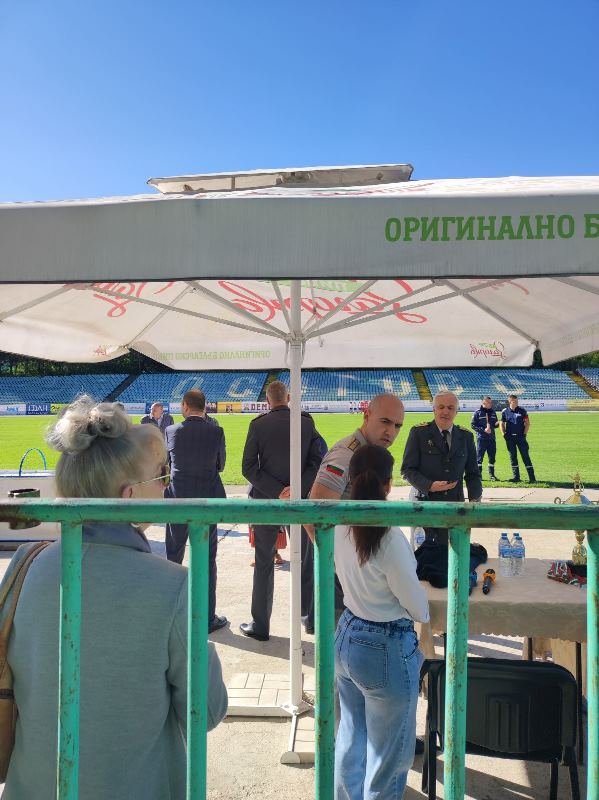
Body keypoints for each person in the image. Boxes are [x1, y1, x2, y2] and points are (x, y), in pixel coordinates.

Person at [0, 396, 227, 800]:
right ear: (128, 495)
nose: (167, 485)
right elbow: (206, 711)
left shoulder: (25, 563)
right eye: (161, 477)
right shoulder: (174, 585)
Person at [334, 444, 430, 800]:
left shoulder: (341, 524)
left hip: (348, 633)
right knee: (388, 759)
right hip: (384, 644)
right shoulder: (390, 537)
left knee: (351, 736)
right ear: (388, 485)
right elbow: (417, 608)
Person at [305, 393, 405, 627]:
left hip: (352, 568)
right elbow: (314, 516)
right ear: (366, 415)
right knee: (339, 639)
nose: (391, 432)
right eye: (385, 421)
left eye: (398, 425)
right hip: (342, 574)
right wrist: (339, 565)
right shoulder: (346, 455)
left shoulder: (367, 453)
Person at [240, 380, 322, 641]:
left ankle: (260, 625)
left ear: (267, 400)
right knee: (305, 560)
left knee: (264, 561)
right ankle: (310, 619)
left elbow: (248, 468)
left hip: (266, 501)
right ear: (288, 398)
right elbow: (318, 461)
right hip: (299, 502)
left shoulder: (258, 424)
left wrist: (277, 490)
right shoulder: (305, 422)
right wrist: (295, 488)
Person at [164, 389, 228, 633]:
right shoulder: (216, 431)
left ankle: (171, 614)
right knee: (207, 559)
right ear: (205, 407)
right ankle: (207, 617)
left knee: (174, 556)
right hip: (206, 502)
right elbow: (220, 465)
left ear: (184, 406)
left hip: (178, 501)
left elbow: (168, 465)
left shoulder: (171, 431)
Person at [401, 391, 482, 546]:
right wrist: (429, 485)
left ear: (457, 412)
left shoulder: (466, 436)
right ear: (434, 410)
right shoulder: (419, 433)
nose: (446, 411)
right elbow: (407, 470)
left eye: (451, 408)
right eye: (441, 407)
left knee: (452, 552)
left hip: (455, 507)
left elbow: (473, 474)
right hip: (424, 505)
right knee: (422, 554)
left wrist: (475, 500)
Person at [500, 393, 536, 482]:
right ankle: (516, 478)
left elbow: (527, 423)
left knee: (525, 457)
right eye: (514, 401)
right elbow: (501, 423)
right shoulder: (505, 411)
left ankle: (532, 478)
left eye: (517, 401)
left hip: (521, 437)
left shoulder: (522, 411)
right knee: (513, 457)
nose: (516, 403)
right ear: (510, 401)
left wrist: (524, 434)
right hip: (510, 438)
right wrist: (503, 434)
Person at [470, 395, 500, 480]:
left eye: (491, 402)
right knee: (479, 458)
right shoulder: (477, 412)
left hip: (491, 438)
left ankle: (492, 475)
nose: (491, 404)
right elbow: (473, 425)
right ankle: (478, 475)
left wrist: (498, 423)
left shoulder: (493, 412)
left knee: (492, 457)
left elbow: (494, 424)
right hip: (481, 439)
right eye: (489, 402)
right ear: (484, 402)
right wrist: (484, 430)